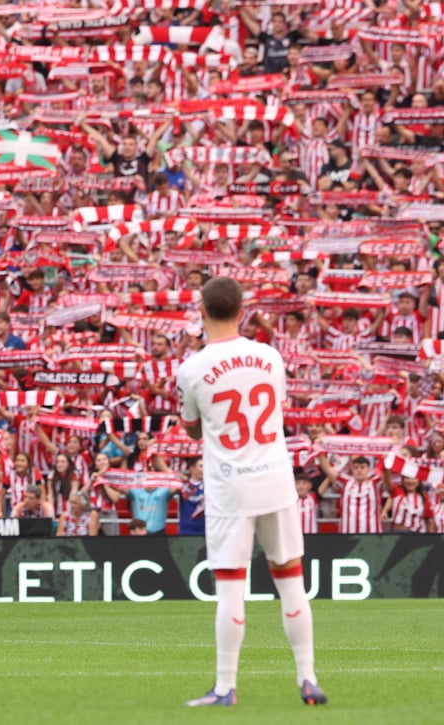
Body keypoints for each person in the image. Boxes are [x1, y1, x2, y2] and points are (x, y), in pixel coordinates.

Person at [175, 277, 325, 707]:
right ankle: (307, 679)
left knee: (230, 586)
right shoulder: (269, 356)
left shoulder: (193, 368)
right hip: (275, 478)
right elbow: (273, 408)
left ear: (202, 311)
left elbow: (191, 427)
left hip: (230, 487)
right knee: (291, 579)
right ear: (243, 311)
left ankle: (225, 687)